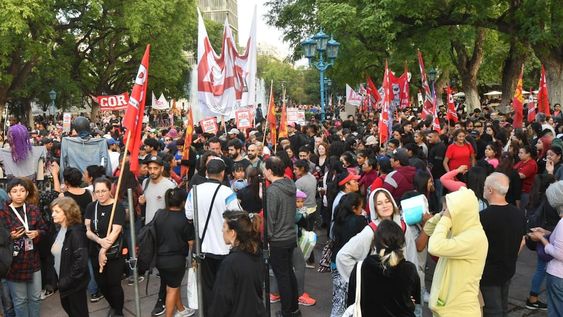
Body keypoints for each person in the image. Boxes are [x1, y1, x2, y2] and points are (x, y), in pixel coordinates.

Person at [184, 158, 243, 315]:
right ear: (223, 173)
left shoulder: (194, 191)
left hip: (203, 248)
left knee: (206, 287)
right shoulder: (227, 192)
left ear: (206, 172)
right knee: (226, 286)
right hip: (225, 248)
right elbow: (237, 218)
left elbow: (188, 215)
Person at [426, 187, 488, 316]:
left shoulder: (474, 237)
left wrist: (447, 219)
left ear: (462, 212)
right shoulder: (459, 230)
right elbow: (428, 229)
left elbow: (434, 246)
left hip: (460, 310)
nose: (448, 214)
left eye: (450, 211)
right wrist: (441, 215)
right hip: (446, 307)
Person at [347, 220, 420, 316]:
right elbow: (415, 299)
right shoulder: (409, 269)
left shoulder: (361, 268)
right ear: (401, 243)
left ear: (375, 242)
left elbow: (352, 301)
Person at [479, 173, 526, 316]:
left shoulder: (483, 217)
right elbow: (522, 241)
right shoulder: (518, 214)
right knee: (503, 308)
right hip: (508, 269)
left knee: (493, 310)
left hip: (487, 273)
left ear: (490, 190)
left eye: (485, 186)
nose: (484, 189)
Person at [0, 178, 48, 317]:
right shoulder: (3, 212)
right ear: (9, 194)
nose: (19, 194)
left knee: (35, 298)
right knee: (20, 300)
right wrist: (10, 237)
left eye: (22, 191)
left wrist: (37, 232)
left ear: (27, 193)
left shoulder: (33, 209)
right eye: (14, 191)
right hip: (13, 262)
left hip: (33, 260)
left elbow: (44, 229)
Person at [138, 155, 176, 316]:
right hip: (150, 232)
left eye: (155, 168)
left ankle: (162, 299)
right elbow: (147, 202)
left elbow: (174, 210)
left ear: (161, 168)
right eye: (150, 168)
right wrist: (141, 202)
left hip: (165, 234)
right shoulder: (145, 183)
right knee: (156, 266)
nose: (152, 171)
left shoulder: (169, 185)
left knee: (163, 268)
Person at [263, 156, 300, 317]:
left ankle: (287, 311)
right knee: (289, 274)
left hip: (278, 239)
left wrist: (267, 238)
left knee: (283, 277)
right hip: (290, 236)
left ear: (270, 171)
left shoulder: (272, 190)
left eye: (265, 168)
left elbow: (270, 218)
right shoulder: (290, 184)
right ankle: (294, 308)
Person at [209, 210, 266, 316]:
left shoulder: (230, 263)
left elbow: (221, 301)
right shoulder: (257, 254)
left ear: (233, 233)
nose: (222, 230)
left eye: (225, 227)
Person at [84, 178, 125, 317]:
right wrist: (99, 241)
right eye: (97, 192)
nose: (100, 194)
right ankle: (113, 305)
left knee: (114, 283)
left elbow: (116, 231)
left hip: (113, 252)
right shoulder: (91, 207)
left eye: (103, 191)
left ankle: (118, 312)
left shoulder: (117, 207)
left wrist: (103, 250)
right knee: (101, 283)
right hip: (95, 249)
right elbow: (88, 230)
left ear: (110, 191)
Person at [154, 188, 195, 317]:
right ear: (183, 202)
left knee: (172, 285)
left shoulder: (159, 214)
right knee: (172, 289)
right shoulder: (184, 219)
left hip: (159, 259)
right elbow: (190, 243)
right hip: (176, 260)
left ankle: (181, 309)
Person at [49, 197, 89, 317]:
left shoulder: (76, 232)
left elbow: (81, 262)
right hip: (65, 284)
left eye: (56, 211)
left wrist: (65, 281)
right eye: (52, 211)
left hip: (74, 286)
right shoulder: (60, 229)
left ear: (67, 212)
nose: (52, 215)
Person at [529, 181, 563, 317]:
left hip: (558, 275)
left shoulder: (562, 223)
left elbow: (559, 253)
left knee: (555, 311)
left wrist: (541, 238)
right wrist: (547, 233)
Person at [330, 193, 366, 317]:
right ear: (353, 208)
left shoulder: (338, 220)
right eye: (361, 207)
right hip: (350, 265)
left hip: (335, 262)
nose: (362, 210)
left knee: (338, 300)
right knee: (349, 302)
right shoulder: (360, 221)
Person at [514, 145, 538, 212]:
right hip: (519, 190)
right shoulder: (521, 162)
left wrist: (512, 174)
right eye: (519, 153)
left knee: (523, 210)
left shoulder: (532, 164)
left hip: (526, 191)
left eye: (521, 153)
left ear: (528, 154)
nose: (519, 155)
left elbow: (521, 175)